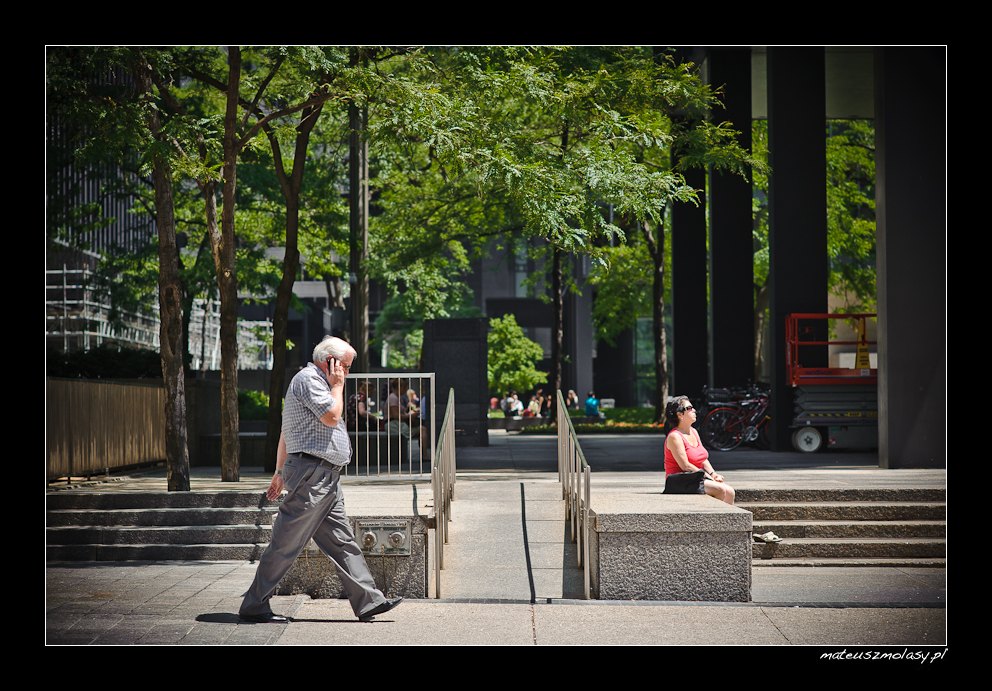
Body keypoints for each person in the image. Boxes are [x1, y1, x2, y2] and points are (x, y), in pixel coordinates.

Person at [239, 336, 403, 623]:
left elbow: (286, 432)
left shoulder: (318, 384)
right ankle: (254, 604)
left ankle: (369, 601)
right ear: (331, 361)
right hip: (313, 475)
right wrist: (337, 386)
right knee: (286, 542)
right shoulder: (310, 380)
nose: (347, 373)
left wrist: (278, 473)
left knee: (342, 542)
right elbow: (331, 416)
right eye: (346, 366)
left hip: (325, 477)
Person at [663, 395, 736, 505]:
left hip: (696, 476)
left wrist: (713, 474)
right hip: (679, 480)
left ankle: (728, 522)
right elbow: (685, 466)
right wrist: (707, 476)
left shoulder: (693, 431)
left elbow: (702, 459)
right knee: (719, 489)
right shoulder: (675, 437)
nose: (694, 410)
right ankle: (715, 520)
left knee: (730, 491)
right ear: (680, 415)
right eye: (689, 408)